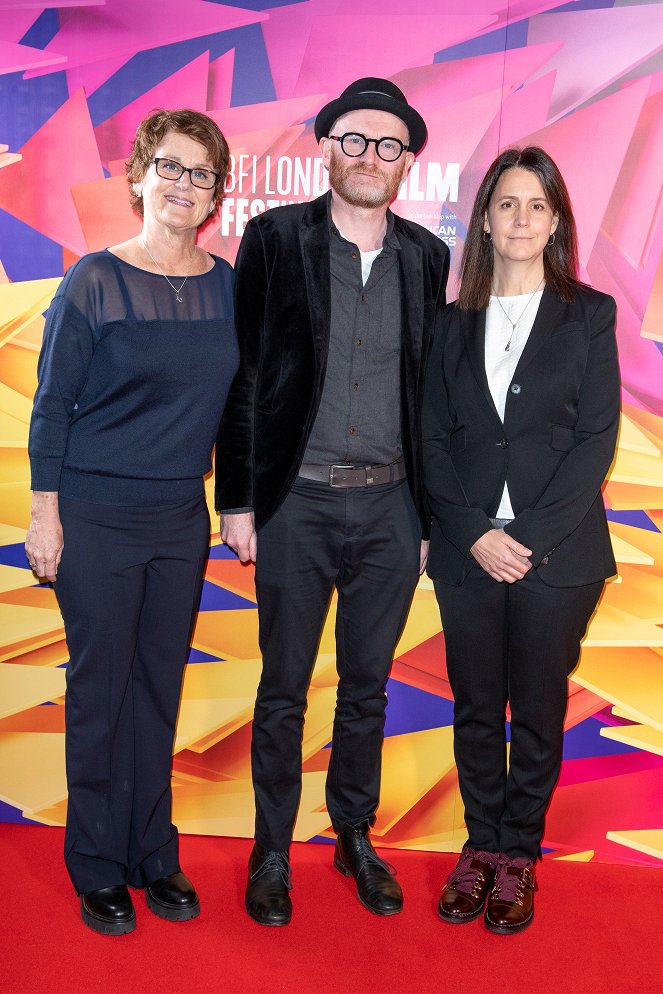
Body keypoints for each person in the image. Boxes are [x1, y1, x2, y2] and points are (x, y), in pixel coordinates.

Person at [216, 77, 449, 925]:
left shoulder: (428, 256)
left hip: (390, 510)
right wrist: (236, 500)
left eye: (387, 145)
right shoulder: (274, 238)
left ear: (406, 163)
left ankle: (354, 836)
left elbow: (428, 395)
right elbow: (245, 375)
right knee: (282, 688)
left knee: (367, 687)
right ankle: (270, 849)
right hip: (292, 505)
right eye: (354, 140)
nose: (368, 157)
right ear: (327, 147)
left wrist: (427, 515)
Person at [25, 109, 238, 935]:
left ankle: (155, 853)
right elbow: (51, 408)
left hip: (179, 517)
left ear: (218, 192)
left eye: (202, 173)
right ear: (142, 174)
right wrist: (45, 517)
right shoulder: (94, 280)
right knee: (102, 696)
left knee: (158, 690)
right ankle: (98, 864)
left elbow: (243, 406)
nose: (185, 185)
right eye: (172, 167)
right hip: (94, 518)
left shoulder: (225, 285)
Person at [422, 146, 620, 934]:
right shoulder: (449, 321)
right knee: (475, 706)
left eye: (537, 205)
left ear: (556, 221)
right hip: (467, 554)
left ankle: (517, 858)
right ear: (483, 220)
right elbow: (429, 438)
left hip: (557, 556)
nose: (521, 219)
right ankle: (479, 847)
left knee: (535, 710)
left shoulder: (588, 312)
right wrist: (473, 533)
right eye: (506, 203)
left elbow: (594, 439)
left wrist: (525, 540)